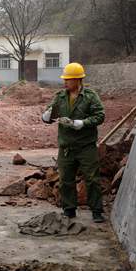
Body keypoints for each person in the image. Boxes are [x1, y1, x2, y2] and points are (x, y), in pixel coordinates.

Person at [42, 63, 106, 223]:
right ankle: (69, 209)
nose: (65, 82)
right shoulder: (60, 97)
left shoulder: (90, 96)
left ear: (78, 80)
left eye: (68, 80)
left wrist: (83, 123)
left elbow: (100, 116)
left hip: (86, 146)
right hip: (66, 147)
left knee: (92, 179)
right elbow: (50, 115)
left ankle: (97, 211)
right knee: (65, 180)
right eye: (65, 79)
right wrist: (46, 116)